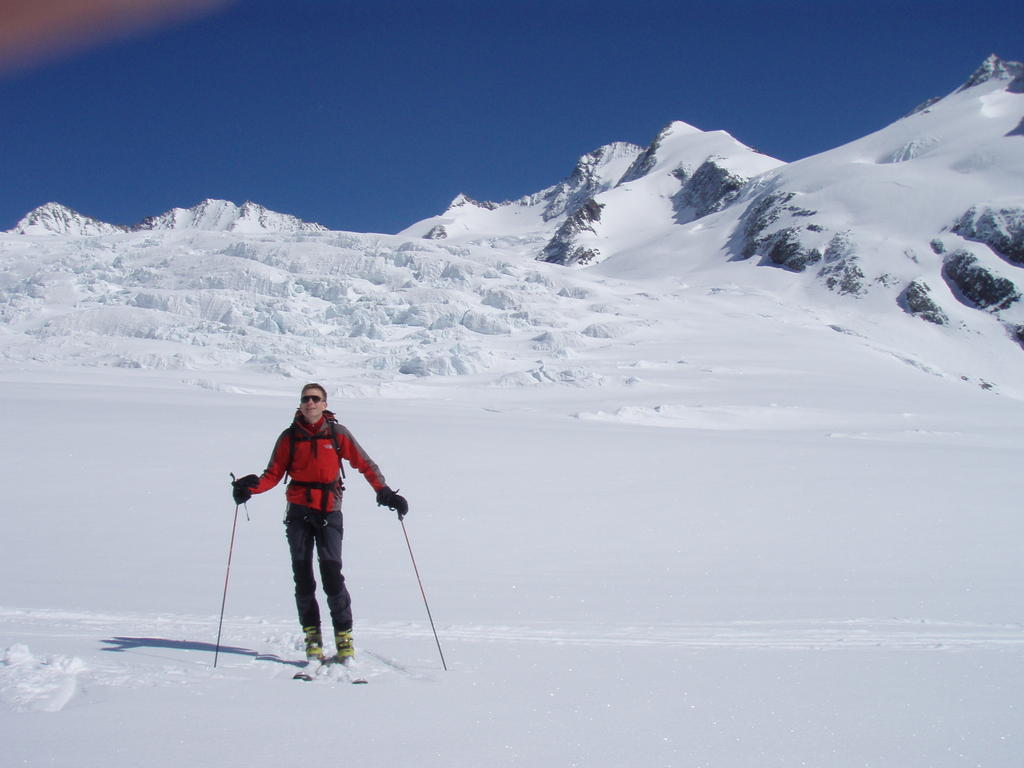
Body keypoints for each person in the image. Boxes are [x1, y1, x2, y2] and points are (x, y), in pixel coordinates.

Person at [230, 382, 408, 664]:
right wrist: (249, 489)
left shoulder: (336, 433)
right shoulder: (289, 437)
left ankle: (343, 636)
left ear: (325, 404)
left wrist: (383, 492)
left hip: (328, 511)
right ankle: (312, 637)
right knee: (303, 577)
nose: (310, 403)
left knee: (332, 574)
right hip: (298, 511)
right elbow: (273, 474)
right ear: (300, 405)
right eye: (305, 399)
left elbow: (364, 463)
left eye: (316, 399)